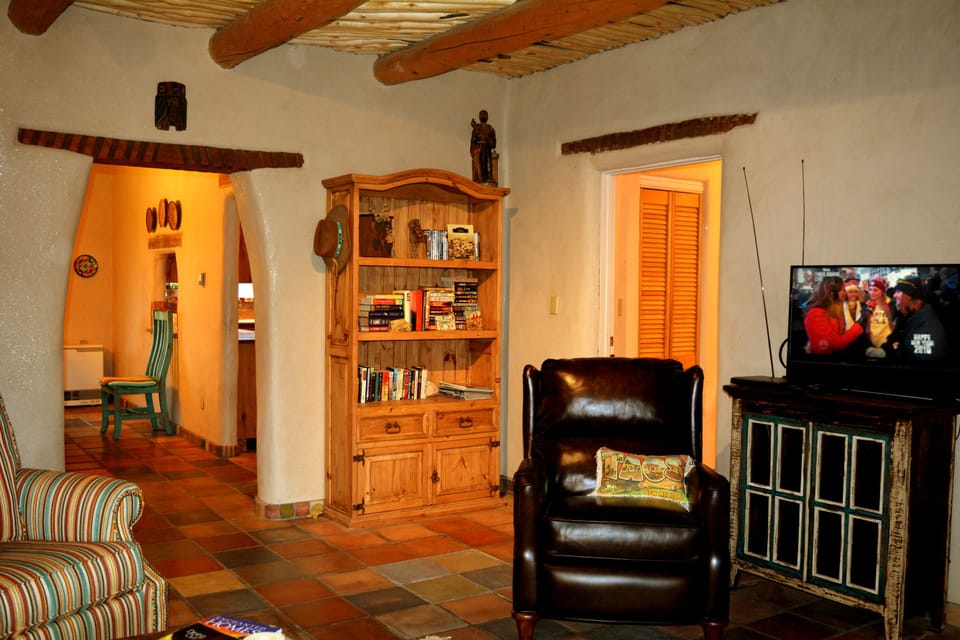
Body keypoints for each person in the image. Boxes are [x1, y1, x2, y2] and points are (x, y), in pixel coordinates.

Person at [881, 276, 949, 361]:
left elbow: (922, 360)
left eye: (898, 291)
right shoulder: (906, 317)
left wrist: (896, 349)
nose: (894, 295)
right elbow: (892, 339)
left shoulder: (927, 324)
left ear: (910, 296)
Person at [803, 276, 865, 355]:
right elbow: (837, 344)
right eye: (843, 290)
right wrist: (859, 323)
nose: (845, 293)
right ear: (832, 293)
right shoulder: (815, 314)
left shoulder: (834, 310)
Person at [470, 110, 496, 184]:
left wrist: (489, 140)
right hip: (479, 148)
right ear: (479, 116)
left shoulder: (490, 129)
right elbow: (473, 141)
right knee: (480, 163)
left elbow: (493, 143)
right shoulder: (476, 128)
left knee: (488, 162)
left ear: (487, 117)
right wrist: (473, 150)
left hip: (487, 148)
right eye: (481, 114)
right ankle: (480, 178)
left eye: (485, 114)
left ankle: (489, 177)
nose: (483, 115)